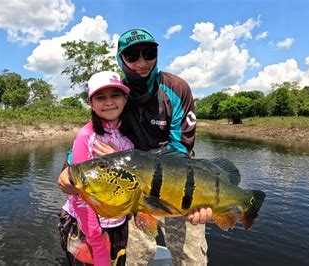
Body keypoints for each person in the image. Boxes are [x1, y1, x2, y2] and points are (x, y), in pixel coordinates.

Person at [58, 28, 213, 265]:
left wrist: (124, 158)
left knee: (190, 257)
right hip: (132, 189)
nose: (142, 62)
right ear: (121, 59)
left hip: (173, 181)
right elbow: (93, 132)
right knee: (136, 257)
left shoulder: (177, 88)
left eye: (149, 53)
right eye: (132, 56)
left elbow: (179, 151)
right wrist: (68, 167)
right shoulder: (117, 94)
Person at [58, 71, 134, 266]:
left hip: (117, 223)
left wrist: (118, 161)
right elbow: (81, 195)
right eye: (101, 97)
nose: (109, 102)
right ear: (91, 103)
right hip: (87, 226)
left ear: (125, 99)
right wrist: (98, 246)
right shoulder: (86, 136)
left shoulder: (131, 133)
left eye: (115, 95)